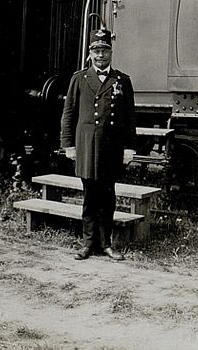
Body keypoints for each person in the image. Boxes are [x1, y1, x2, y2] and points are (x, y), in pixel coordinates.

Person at [60, 27, 136, 261]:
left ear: (111, 53)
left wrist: (129, 148)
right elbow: (69, 114)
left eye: (104, 50)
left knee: (107, 196)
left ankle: (106, 244)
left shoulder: (122, 80)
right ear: (90, 54)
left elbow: (130, 117)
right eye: (96, 51)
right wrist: (68, 145)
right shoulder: (79, 79)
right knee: (89, 195)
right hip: (86, 147)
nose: (100, 55)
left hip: (110, 148)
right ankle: (87, 243)